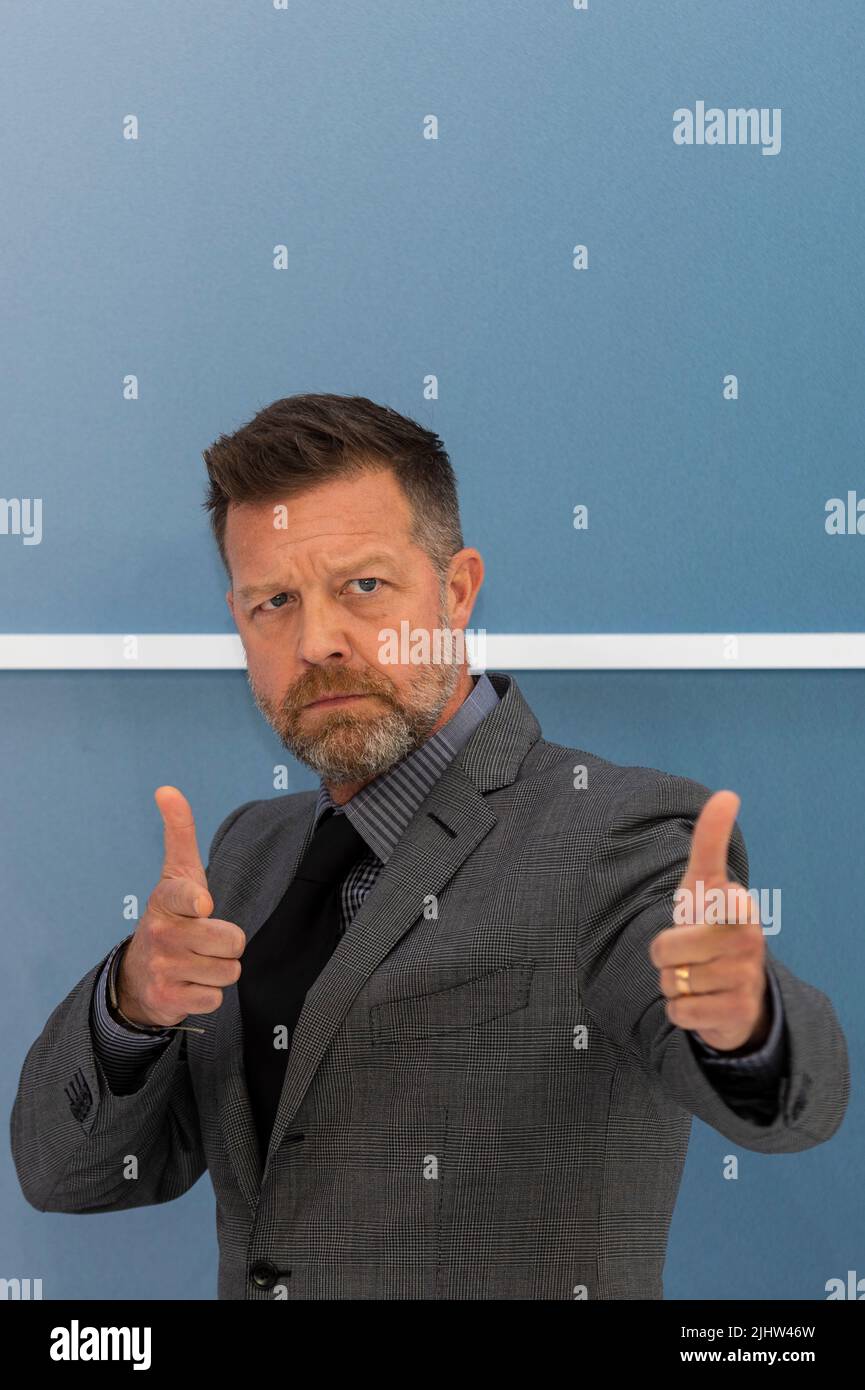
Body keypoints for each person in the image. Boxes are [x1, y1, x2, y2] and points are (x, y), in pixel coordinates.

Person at [10, 394, 849, 1300]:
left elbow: (787, 1111)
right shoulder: (244, 855)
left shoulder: (611, 833)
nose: (317, 640)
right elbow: (66, 1177)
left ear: (454, 591)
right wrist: (132, 1004)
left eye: (362, 587)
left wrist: (744, 1025)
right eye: (273, 602)